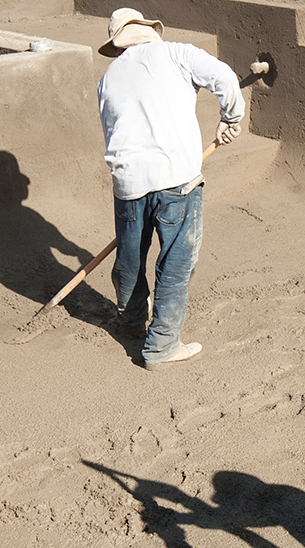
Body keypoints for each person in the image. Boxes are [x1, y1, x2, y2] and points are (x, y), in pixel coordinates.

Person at [96, 9, 245, 369]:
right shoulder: (177, 52)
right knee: (176, 261)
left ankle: (131, 321)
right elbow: (224, 76)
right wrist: (231, 117)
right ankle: (162, 345)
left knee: (130, 260)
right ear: (149, 33)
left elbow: (113, 129)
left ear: (117, 47)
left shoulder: (108, 77)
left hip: (127, 181)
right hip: (176, 177)